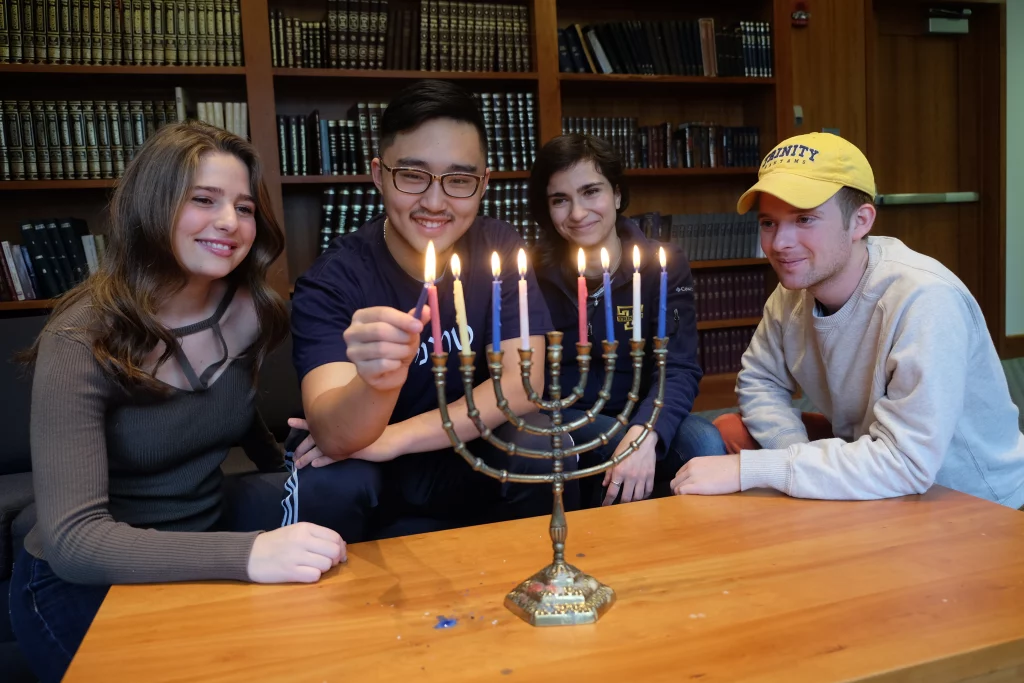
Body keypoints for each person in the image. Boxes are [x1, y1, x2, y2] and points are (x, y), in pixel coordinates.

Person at [9, 122, 347, 683]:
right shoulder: (80, 338)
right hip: (80, 586)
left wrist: (295, 457)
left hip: (199, 556)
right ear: (153, 205)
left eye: (243, 207)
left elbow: (233, 418)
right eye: (203, 201)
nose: (229, 223)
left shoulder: (252, 310)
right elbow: (74, 542)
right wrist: (249, 555)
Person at [670, 132, 1024, 510]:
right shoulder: (794, 288)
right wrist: (795, 456)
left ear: (860, 222)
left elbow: (907, 463)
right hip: (877, 461)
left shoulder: (925, 299)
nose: (779, 244)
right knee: (729, 430)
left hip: (968, 500)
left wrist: (755, 470)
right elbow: (760, 381)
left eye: (804, 219)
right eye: (769, 223)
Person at [289, 80, 567, 539]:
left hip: (459, 454)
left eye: (459, 180)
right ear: (378, 174)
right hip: (368, 469)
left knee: (542, 438)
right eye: (413, 176)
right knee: (331, 479)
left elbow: (523, 384)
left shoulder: (498, 247)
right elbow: (335, 435)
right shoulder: (333, 280)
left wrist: (396, 438)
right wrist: (376, 383)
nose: (435, 203)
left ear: (483, 186)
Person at [528, 133, 726, 508]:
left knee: (705, 443)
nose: (577, 213)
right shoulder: (532, 274)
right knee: (608, 441)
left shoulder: (662, 266)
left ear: (617, 195)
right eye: (560, 200)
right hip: (561, 415)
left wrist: (645, 432)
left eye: (591, 192)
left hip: (642, 408)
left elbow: (679, 368)